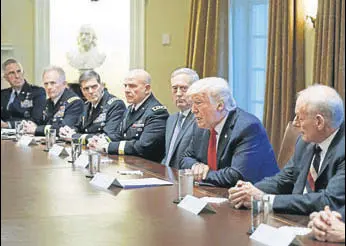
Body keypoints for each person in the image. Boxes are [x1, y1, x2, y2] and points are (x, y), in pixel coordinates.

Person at [228, 84, 345, 215]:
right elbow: (285, 179)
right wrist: (248, 191)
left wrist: (265, 199)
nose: (295, 123)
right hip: (293, 218)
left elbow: (328, 201)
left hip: (326, 225)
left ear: (319, 122)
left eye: (300, 118)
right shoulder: (305, 142)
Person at [181, 77, 279, 187]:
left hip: (251, 197)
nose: (193, 110)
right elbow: (186, 157)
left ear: (220, 105)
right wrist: (196, 166)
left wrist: (203, 175)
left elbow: (237, 176)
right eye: (193, 104)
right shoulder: (201, 125)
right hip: (214, 192)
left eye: (198, 103)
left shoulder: (247, 127)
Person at [88, 69, 169, 162]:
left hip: (148, 168)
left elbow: (143, 146)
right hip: (128, 163)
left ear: (147, 89)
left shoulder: (157, 112)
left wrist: (107, 146)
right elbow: (119, 135)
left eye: (132, 86)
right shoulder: (130, 108)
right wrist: (100, 140)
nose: (126, 90)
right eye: (125, 86)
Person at [59, 70, 126, 144]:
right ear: (81, 90)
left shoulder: (115, 105)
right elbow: (79, 126)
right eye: (86, 88)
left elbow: (108, 137)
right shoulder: (87, 105)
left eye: (94, 87)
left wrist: (75, 136)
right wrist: (68, 131)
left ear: (102, 86)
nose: (90, 91)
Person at [22, 66, 84, 136]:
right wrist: (31, 124)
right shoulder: (48, 102)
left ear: (64, 84)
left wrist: (36, 129)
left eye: (53, 83)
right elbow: (39, 120)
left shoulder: (74, 102)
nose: (49, 87)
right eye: (46, 84)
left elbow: (63, 129)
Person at [161, 68, 199, 168]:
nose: (178, 93)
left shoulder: (200, 120)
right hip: (167, 177)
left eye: (183, 88)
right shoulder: (171, 119)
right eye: (174, 88)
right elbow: (168, 156)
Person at [1, 58, 46, 128]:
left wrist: (8, 125)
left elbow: (36, 119)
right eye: (11, 73)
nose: (17, 76)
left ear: (23, 73)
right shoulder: (3, 94)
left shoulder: (37, 92)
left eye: (19, 71)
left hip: (26, 134)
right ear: (5, 77)